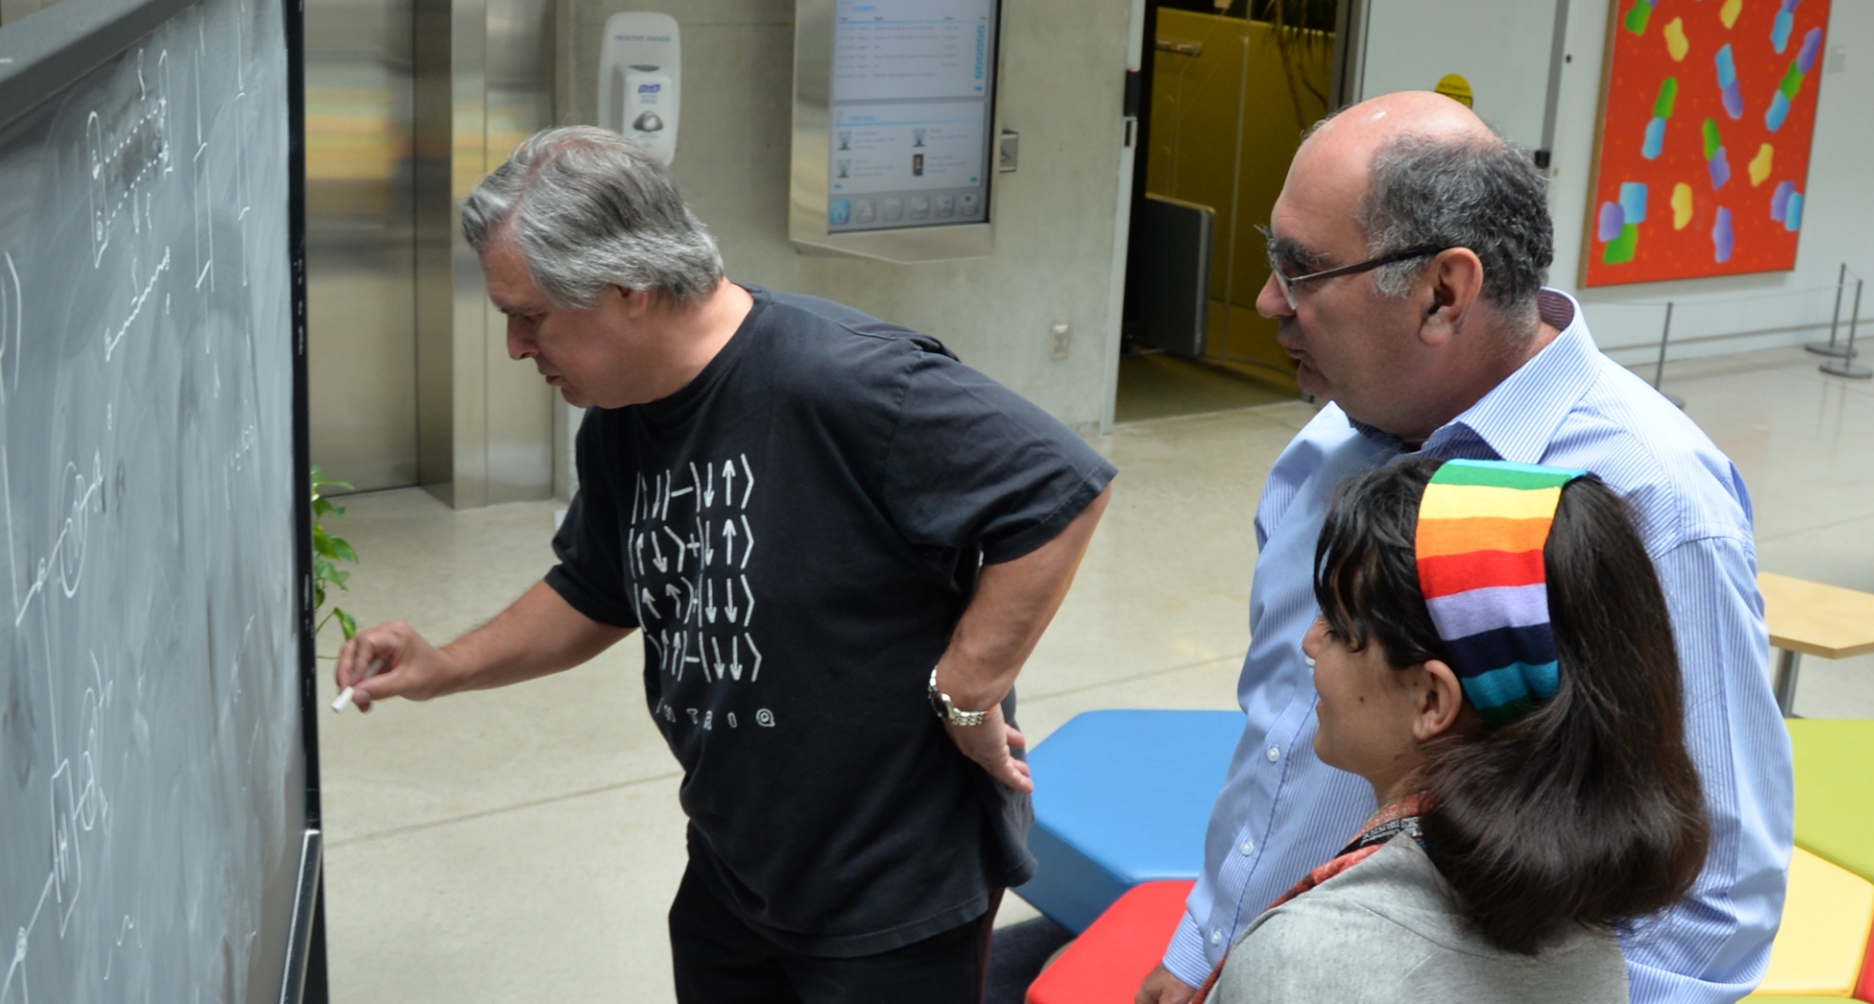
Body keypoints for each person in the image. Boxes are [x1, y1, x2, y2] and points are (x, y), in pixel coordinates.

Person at [333, 126, 1117, 1004]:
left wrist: (969, 685)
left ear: (628, 289)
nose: (517, 347)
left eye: (531, 317)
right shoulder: (624, 413)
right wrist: (445, 667)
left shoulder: (843, 380)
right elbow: (597, 588)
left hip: (891, 892)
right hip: (736, 871)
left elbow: (1061, 486)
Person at [1137, 92, 1791, 1004]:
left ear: (1445, 292)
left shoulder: (1653, 501)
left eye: (1303, 270)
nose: (1265, 304)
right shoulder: (1324, 453)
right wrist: (1209, 942)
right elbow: (1279, 744)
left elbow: (1715, 903)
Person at [1202, 456, 1710, 1003]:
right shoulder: (1574, 913)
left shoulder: (1302, 962)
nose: (1310, 641)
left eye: (1341, 626)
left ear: (1431, 698)